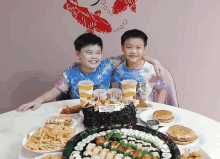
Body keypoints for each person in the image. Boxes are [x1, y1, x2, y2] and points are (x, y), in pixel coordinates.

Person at [17, 32, 164, 112]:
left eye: (98, 53)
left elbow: (132, 54)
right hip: (81, 115)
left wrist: (155, 61)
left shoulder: (107, 65)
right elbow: (55, 90)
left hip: (106, 113)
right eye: (88, 53)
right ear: (78, 54)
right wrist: (38, 100)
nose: (94, 57)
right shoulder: (70, 74)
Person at [112, 29, 167, 103]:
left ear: (144, 49)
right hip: (125, 110)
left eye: (138, 48)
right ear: (123, 48)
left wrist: (157, 109)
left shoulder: (152, 70)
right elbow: (115, 92)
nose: (133, 51)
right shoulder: (119, 70)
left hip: (145, 109)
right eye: (129, 47)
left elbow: (161, 91)